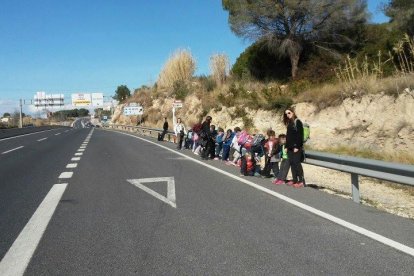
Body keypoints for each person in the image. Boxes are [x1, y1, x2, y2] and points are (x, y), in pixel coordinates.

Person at [284, 107, 305, 188]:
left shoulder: (297, 121)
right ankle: (295, 180)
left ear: (293, 112)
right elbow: (288, 136)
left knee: (297, 163)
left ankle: (301, 181)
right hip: (289, 147)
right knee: (292, 163)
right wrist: (286, 146)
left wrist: (297, 146)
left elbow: (300, 135)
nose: (287, 115)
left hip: (296, 147)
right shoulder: (290, 122)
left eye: (289, 113)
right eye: (286, 114)